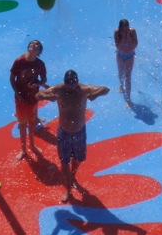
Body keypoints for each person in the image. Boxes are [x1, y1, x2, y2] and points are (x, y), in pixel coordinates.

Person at [39, 70, 110, 203]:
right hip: (64, 132)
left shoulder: (83, 90)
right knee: (64, 162)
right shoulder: (59, 90)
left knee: (77, 159)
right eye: (68, 84)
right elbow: (38, 95)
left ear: (77, 83)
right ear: (64, 83)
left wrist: (95, 93)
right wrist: (48, 96)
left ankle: (73, 176)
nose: (71, 87)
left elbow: (106, 89)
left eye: (73, 84)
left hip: (79, 131)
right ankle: (68, 189)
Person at [10, 39, 47, 160]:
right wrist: (17, 94)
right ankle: (23, 149)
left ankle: (32, 145)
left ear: (39, 51)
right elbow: (12, 78)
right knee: (22, 124)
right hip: (21, 97)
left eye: (36, 45)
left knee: (31, 123)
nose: (33, 45)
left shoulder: (40, 64)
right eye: (32, 44)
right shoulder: (19, 61)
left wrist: (38, 84)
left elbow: (43, 80)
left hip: (33, 98)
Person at [114, 19, 137, 102]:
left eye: (127, 29)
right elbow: (118, 46)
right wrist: (123, 37)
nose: (125, 31)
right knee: (121, 73)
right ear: (120, 28)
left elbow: (136, 43)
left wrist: (130, 49)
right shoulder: (117, 32)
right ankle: (121, 84)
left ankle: (128, 99)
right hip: (120, 55)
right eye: (123, 29)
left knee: (128, 77)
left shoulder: (132, 31)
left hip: (130, 55)